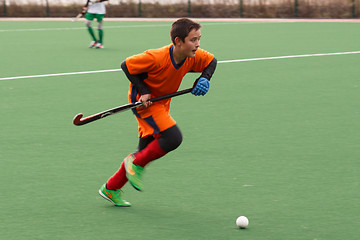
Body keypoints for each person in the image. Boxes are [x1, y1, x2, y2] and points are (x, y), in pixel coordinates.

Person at [98, 18, 217, 207]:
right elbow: (126, 65)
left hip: (162, 103)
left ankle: (111, 188)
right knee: (173, 138)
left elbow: (212, 61)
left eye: (199, 39)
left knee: (145, 150)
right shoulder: (156, 57)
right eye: (193, 40)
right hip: (145, 103)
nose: (198, 44)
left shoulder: (192, 56)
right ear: (178, 41)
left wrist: (205, 78)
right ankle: (135, 163)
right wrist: (143, 90)